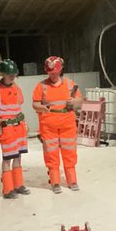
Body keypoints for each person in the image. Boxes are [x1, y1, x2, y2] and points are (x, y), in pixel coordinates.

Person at [31, 56, 82, 193]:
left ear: (60, 70)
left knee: (69, 152)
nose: (52, 75)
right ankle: (55, 182)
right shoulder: (41, 86)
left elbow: (80, 101)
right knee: (51, 153)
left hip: (67, 124)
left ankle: (72, 180)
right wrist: (42, 108)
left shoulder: (70, 84)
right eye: (50, 73)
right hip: (49, 126)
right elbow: (35, 104)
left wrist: (75, 103)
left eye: (54, 72)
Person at [0, 59, 30, 198]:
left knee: (18, 156)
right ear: (3, 73)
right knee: (7, 157)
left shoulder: (16, 87)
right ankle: (8, 189)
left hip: (19, 126)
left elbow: (19, 104)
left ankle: (18, 184)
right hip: (6, 128)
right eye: (10, 74)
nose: (12, 77)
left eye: (14, 74)